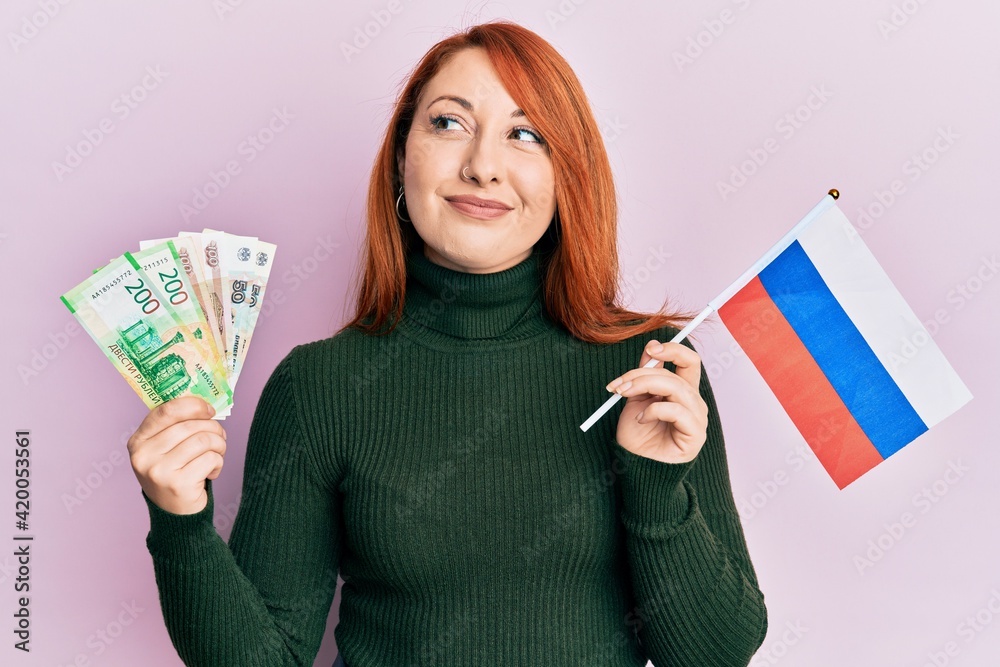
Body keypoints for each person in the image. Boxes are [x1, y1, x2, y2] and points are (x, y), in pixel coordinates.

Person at [128, 20, 767, 667]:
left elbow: (714, 655)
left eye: (525, 134)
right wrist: (179, 522)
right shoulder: (317, 385)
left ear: (566, 174)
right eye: (449, 123)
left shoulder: (651, 369)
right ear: (403, 154)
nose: (482, 166)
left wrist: (656, 485)